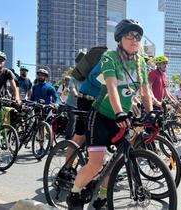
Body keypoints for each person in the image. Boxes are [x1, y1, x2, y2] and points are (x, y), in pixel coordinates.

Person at [67, 19, 153, 210]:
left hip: (123, 118)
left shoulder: (140, 64)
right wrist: (119, 112)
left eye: (138, 36)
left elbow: (146, 91)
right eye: (129, 35)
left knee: (115, 162)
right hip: (101, 116)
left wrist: (152, 113)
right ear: (119, 38)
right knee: (96, 163)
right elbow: (112, 86)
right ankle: (74, 192)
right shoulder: (110, 57)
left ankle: (102, 198)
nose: (134, 39)